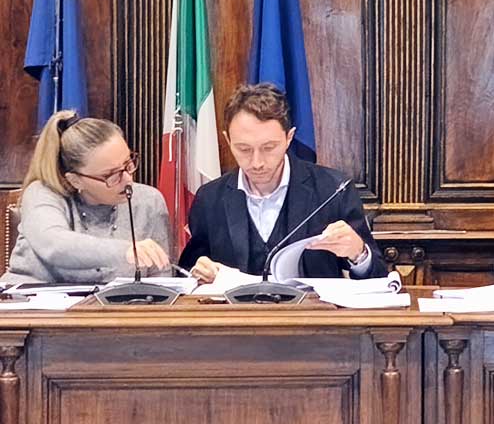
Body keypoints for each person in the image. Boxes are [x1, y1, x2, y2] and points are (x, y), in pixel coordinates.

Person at [180, 84, 386, 282]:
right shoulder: (210, 198)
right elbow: (188, 270)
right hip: (236, 307)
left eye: (269, 148)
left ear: (289, 138)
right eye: (244, 149)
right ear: (228, 141)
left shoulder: (333, 190)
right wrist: (199, 271)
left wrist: (358, 253)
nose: (257, 162)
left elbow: (378, 277)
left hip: (311, 307)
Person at [1, 111, 171, 284]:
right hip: (30, 299)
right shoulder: (41, 194)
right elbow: (54, 246)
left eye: (128, 163)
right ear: (75, 180)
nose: (128, 179)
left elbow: (161, 278)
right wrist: (125, 251)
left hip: (118, 302)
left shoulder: (149, 201)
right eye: (111, 175)